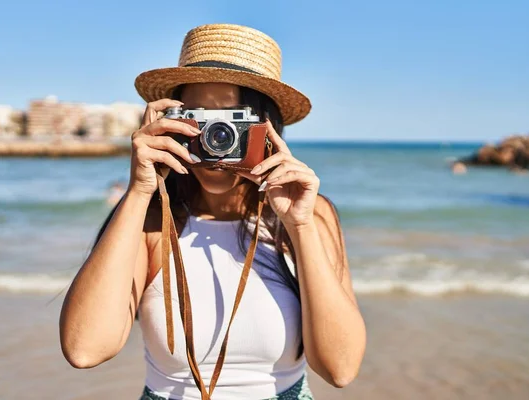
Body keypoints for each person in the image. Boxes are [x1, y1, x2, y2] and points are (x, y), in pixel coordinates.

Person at [59, 24, 366, 400]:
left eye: (232, 121)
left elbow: (341, 368)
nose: (215, 139)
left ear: (269, 127)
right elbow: (84, 348)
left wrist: (299, 225)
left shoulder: (310, 215)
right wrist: (140, 190)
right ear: (169, 122)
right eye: (199, 121)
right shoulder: (149, 220)